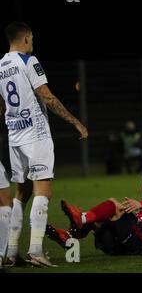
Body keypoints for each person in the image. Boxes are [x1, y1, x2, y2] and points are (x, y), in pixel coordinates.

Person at [0, 22, 88, 267]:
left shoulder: (0, 66)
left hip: (14, 136)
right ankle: (36, 250)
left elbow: (1, 105)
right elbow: (47, 96)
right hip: (35, 134)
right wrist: (75, 122)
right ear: (26, 38)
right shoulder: (29, 61)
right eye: (32, 38)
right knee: (43, 191)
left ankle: (11, 252)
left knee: (21, 192)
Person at [47, 172, 142, 255]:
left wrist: (140, 204)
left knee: (114, 204)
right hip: (119, 247)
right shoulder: (139, 212)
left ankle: (79, 222)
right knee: (100, 217)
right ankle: (70, 236)